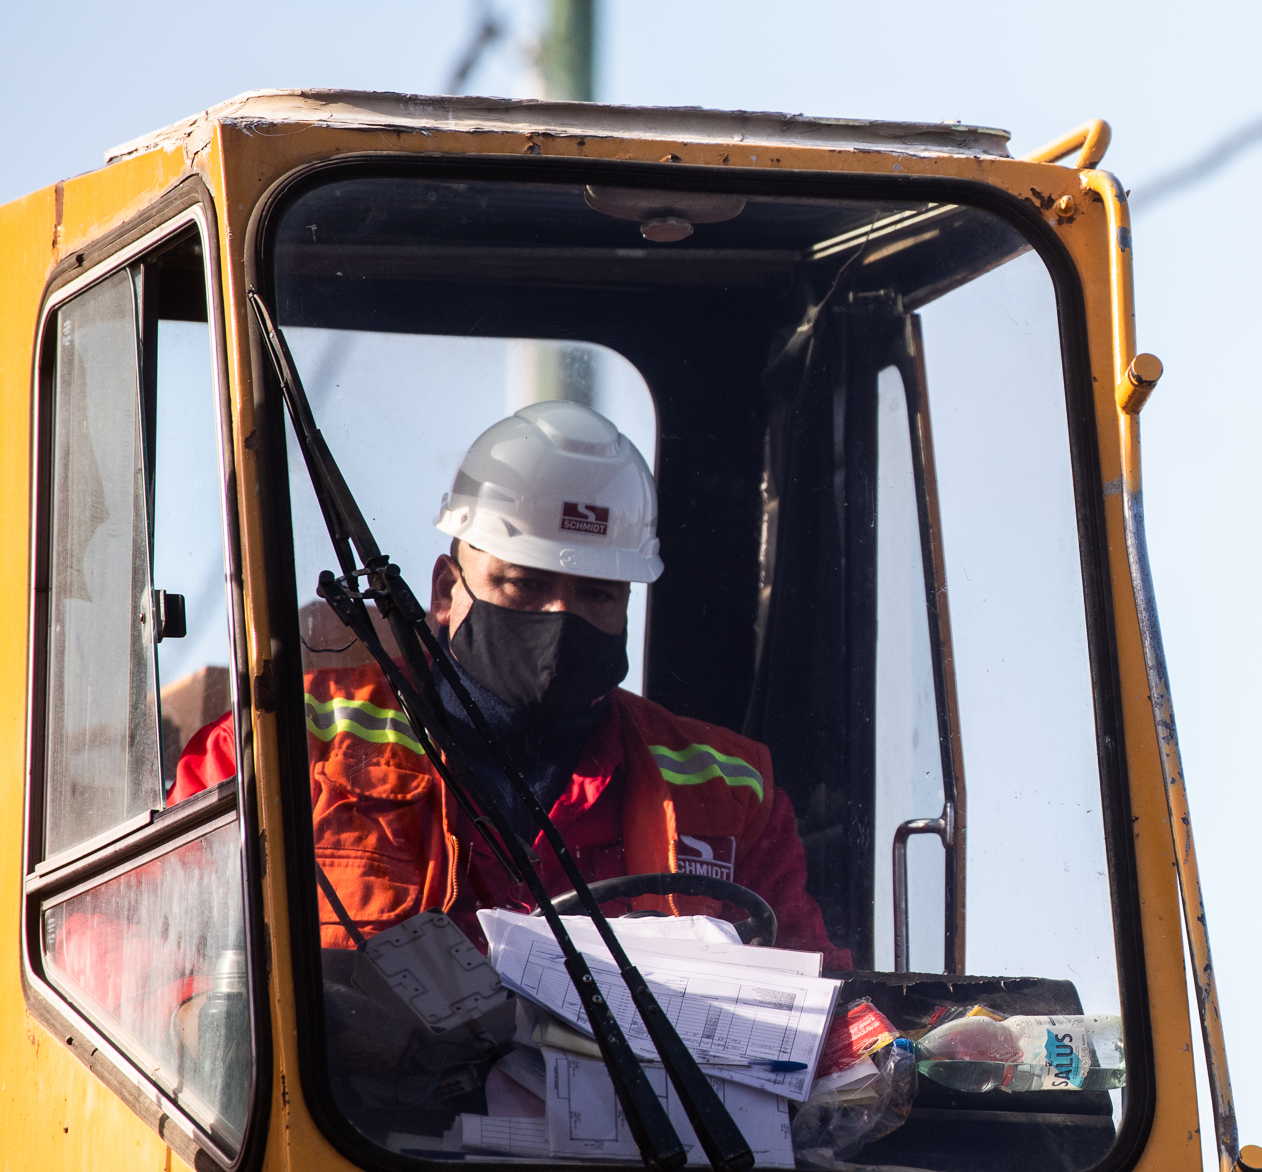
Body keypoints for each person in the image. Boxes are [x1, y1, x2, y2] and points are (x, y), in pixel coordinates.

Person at [177, 401, 838, 962]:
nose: (561, 616)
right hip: (345, 1119)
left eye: (598, 595)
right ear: (445, 590)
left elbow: (814, 1006)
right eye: (525, 583)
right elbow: (127, 937)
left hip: (636, 1120)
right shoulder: (279, 752)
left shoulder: (729, 795)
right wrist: (196, 1016)